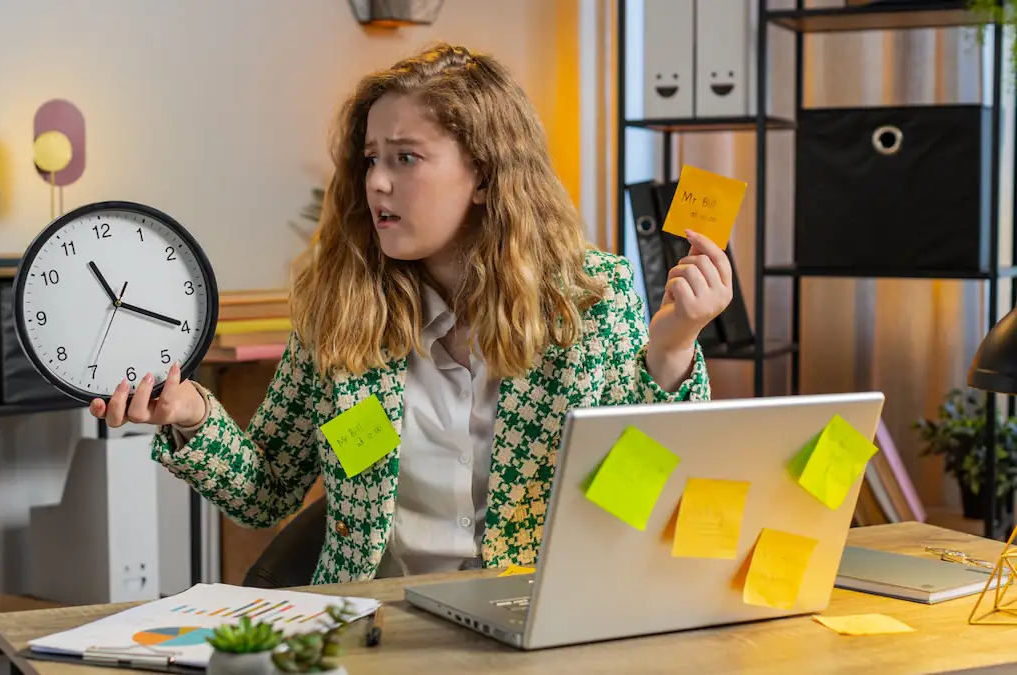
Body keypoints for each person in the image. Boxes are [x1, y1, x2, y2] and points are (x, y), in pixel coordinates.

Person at [90, 43, 733, 585]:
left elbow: (640, 498)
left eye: (406, 157)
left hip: (535, 631)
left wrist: (673, 350)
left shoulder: (592, 302)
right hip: (376, 634)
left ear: (484, 176)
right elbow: (267, 492)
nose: (376, 182)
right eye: (371, 159)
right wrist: (189, 415)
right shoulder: (337, 313)